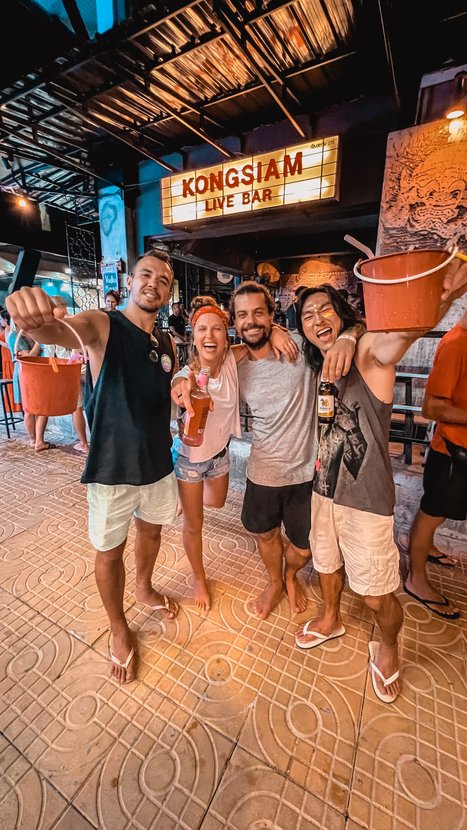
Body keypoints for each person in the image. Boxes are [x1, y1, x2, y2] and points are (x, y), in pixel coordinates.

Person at [294, 262, 467, 704]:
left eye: (325, 310)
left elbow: (396, 340)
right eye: (307, 316)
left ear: (343, 316)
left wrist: (438, 299)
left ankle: (388, 647)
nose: (317, 320)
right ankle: (331, 618)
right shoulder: (317, 367)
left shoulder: (366, 351)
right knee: (327, 567)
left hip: (366, 500)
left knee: (376, 594)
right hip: (322, 490)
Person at [6, 249, 179, 684]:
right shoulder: (103, 324)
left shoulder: (167, 341)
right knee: (109, 551)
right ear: (131, 281)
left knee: (152, 531)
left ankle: (143, 586)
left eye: (163, 279)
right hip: (110, 469)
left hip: (158, 463)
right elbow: (63, 330)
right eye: (146, 274)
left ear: (169, 291)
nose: (153, 284)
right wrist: (33, 317)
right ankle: (119, 627)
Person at [229, 281, 358, 620]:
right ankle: (276, 581)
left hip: (305, 473)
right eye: (242, 315)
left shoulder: (301, 346)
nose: (251, 321)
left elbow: (350, 325)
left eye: (259, 312)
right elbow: (201, 364)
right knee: (266, 534)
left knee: (306, 546)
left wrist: (347, 336)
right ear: (235, 322)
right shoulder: (235, 366)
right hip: (263, 472)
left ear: (273, 315)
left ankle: (291, 573)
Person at [171, 296, 297, 611]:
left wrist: (278, 329)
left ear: (227, 336)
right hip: (190, 460)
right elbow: (178, 386)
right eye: (202, 329)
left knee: (216, 501)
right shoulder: (187, 375)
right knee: (194, 525)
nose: (210, 336)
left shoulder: (232, 358)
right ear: (194, 336)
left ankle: (185, 500)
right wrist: (181, 390)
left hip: (219, 454)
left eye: (217, 329)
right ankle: (198, 578)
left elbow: (259, 337)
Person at [404, 309, 467, 619]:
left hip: (459, 449)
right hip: (451, 451)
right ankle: (416, 579)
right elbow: (430, 407)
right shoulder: (457, 343)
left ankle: (427, 548)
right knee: (432, 512)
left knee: (440, 511)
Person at [42, 297, 89, 454]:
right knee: (94, 405)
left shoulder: (52, 327)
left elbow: (49, 356)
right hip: (87, 369)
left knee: (77, 409)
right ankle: (97, 441)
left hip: (69, 372)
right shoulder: (78, 322)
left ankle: (84, 443)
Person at [6, 319, 55, 451]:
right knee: (30, 409)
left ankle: (38, 440)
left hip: (37, 372)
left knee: (42, 407)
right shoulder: (15, 335)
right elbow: (29, 356)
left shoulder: (31, 333)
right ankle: (34, 440)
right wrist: (40, 342)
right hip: (25, 372)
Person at [0, 310, 21, 413]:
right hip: (5, 358)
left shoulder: (9, 330)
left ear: (6, 319)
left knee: (11, 380)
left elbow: (10, 346)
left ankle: (15, 405)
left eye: (1, 319)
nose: (0, 322)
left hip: (9, 357)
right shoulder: (7, 329)